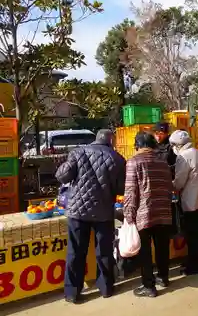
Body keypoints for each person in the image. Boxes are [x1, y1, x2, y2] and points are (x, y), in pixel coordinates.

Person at [56, 129, 126, 304]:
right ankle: (105, 287)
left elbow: (62, 176)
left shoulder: (78, 152)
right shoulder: (117, 159)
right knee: (104, 252)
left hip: (77, 212)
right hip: (103, 213)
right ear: (111, 141)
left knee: (76, 251)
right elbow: (121, 189)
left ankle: (72, 292)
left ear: (96, 139)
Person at [123, 132, 174, 298]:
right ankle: (163, 277)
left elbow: (131, 192)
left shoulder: (134, 162)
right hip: (164, 212)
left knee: (145, 252)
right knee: (162, 247)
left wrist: (128, 216)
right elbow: (169, 188)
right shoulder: (163, 162)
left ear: (137, 145)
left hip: (144, 214)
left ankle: (149, 286)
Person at [170, 130, 198, 275]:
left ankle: (194, 266)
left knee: (191, 235)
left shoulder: (183, 157)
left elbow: (179, 182)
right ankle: (196, 262)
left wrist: (170, 184)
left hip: (190, 202)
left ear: (178, 145)